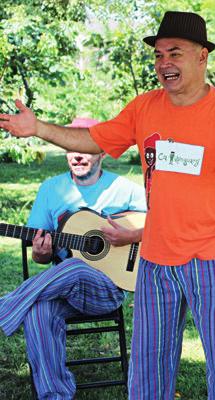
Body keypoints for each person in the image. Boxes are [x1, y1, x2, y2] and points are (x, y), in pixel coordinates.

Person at [0, 11, 215, 400]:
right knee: (148, 365)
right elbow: (94, 140)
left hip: (213, 254)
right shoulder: (144, 108)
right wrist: (38, 129)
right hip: (155, 256)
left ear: (202, 56)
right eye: (157, 55)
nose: (164, 63)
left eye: (174, 53)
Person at [0, 117, 147, 399]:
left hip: (107, 289)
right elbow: (40, 256)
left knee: (76, 266)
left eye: (85, 148)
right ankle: (55, 395)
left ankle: (6, 306)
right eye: (71, 148)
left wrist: (129, 236)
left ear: (101, 151)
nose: (77, 155)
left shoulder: (125, 190)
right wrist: (41, 253)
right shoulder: (50, 190)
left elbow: (157, 226)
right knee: (38, 312)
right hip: (63, 291)